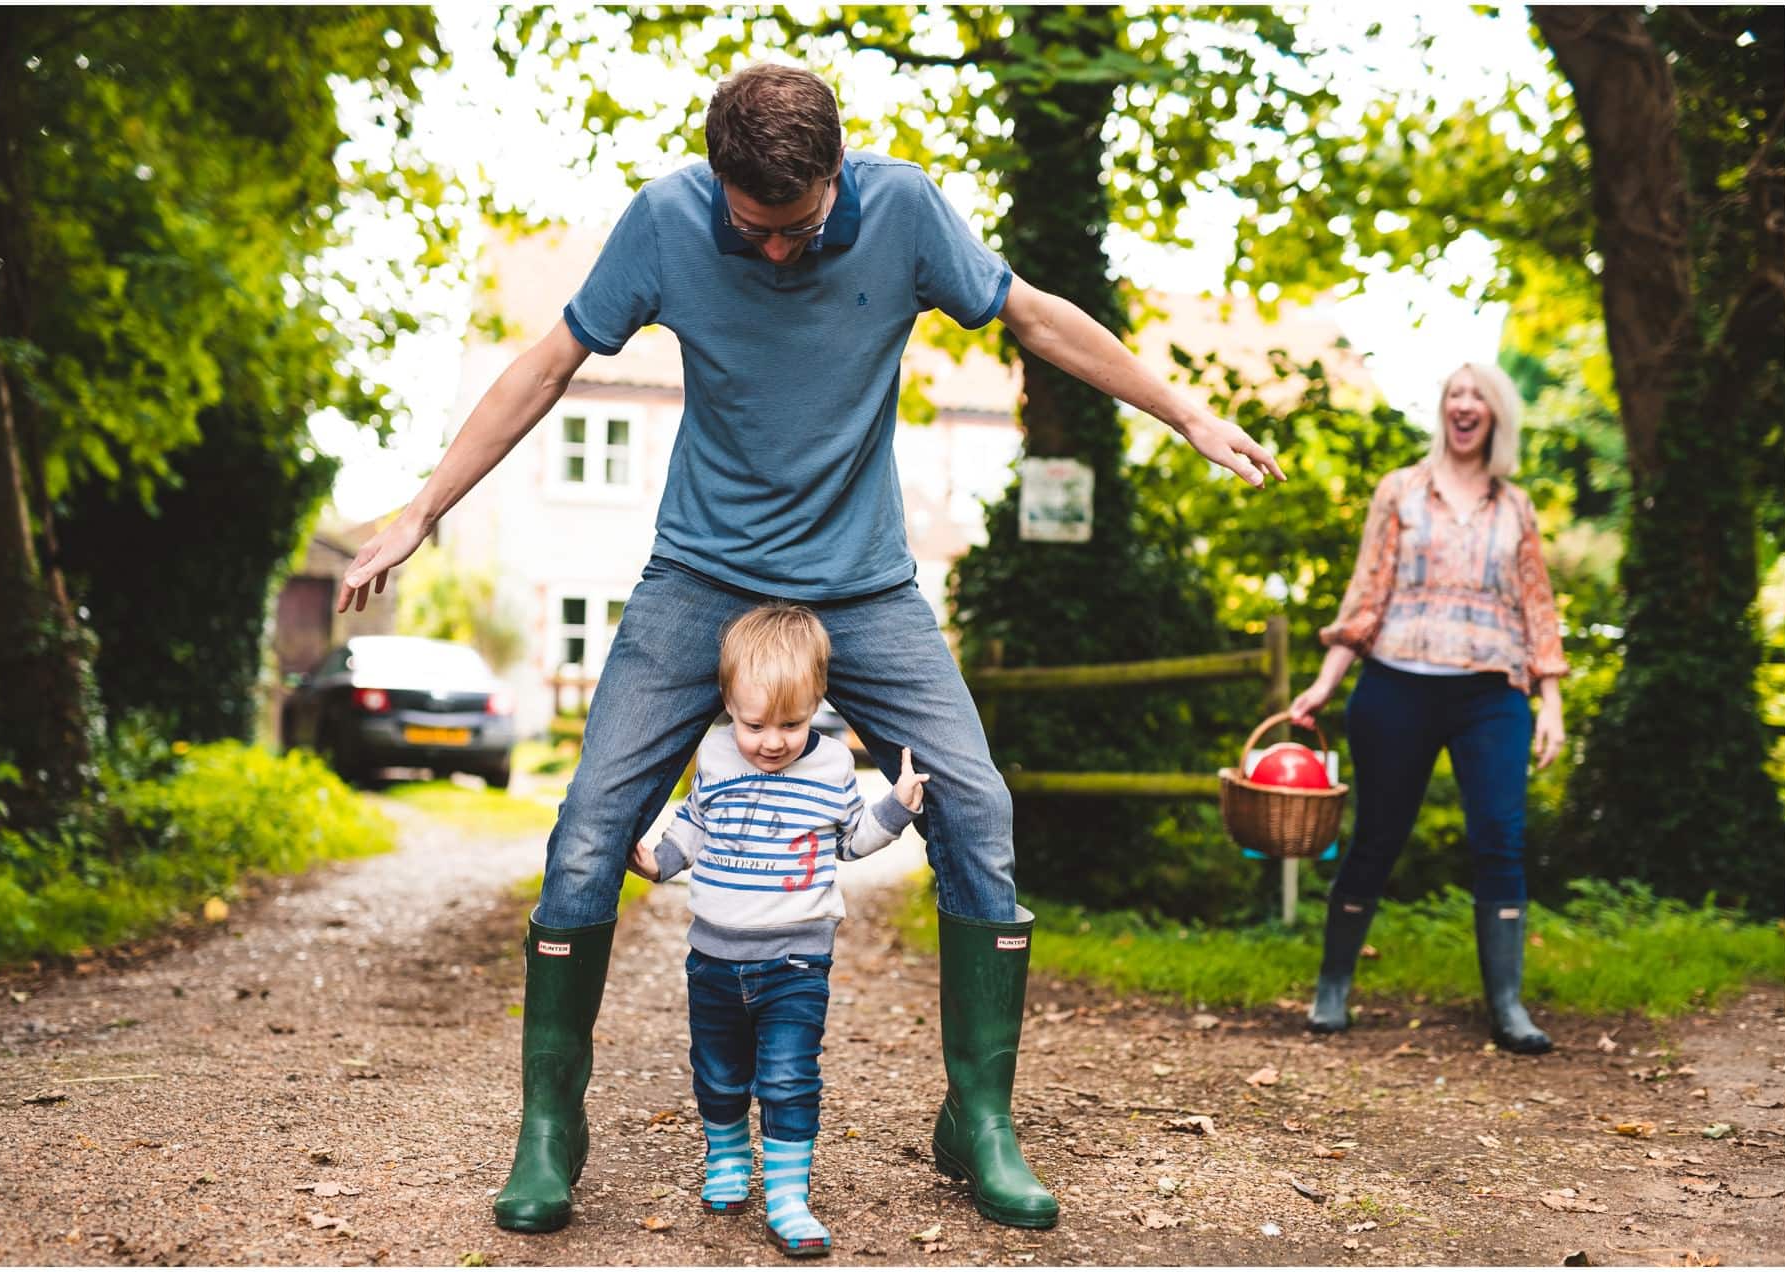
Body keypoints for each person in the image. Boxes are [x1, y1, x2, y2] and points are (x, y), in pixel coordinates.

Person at [334, 63, 1284, 1235]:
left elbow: (1033, 314)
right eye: (751, 228)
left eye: (799, 227)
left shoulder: (905, 211)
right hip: (699, 577)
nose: (776, 252)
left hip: (865, 585)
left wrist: (1184, 412)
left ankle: (976, 1118)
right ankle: (550, 1124)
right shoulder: (666, 219)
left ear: (840, 173)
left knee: (976, 810)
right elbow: (547, 365)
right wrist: (423, 508)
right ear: (718, 185)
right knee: (585, 835)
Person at [624, 603, 926, 1256]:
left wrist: (896, 809)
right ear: (728, 704)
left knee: (789, 1078)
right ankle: (729, 1161)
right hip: (712, 957)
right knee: (718, 1073)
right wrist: (658, 862)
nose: (771, 740)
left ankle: (789, 1195)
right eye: (753, 723)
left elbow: (851, 841)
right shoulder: (714, 755)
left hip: (796, 961)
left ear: (818, 700)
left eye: (791, 723)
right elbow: (694, 825)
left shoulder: (831, 769)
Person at [1287, 363, 1567, 1054]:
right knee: (1378, 836)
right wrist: (1326, 681)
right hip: (1397, 685)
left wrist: (1551, 699)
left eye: (1478, 397)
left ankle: (1507, 1006)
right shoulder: (1400, 492)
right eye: (1454, 396)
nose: (1465, 406)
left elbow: (1537, 604)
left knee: (1500, 837)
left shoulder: (1515, 507)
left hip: (1491, 694)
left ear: (1496, 415)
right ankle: (1332, 985)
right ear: (1443, 410)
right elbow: (1366, 595)